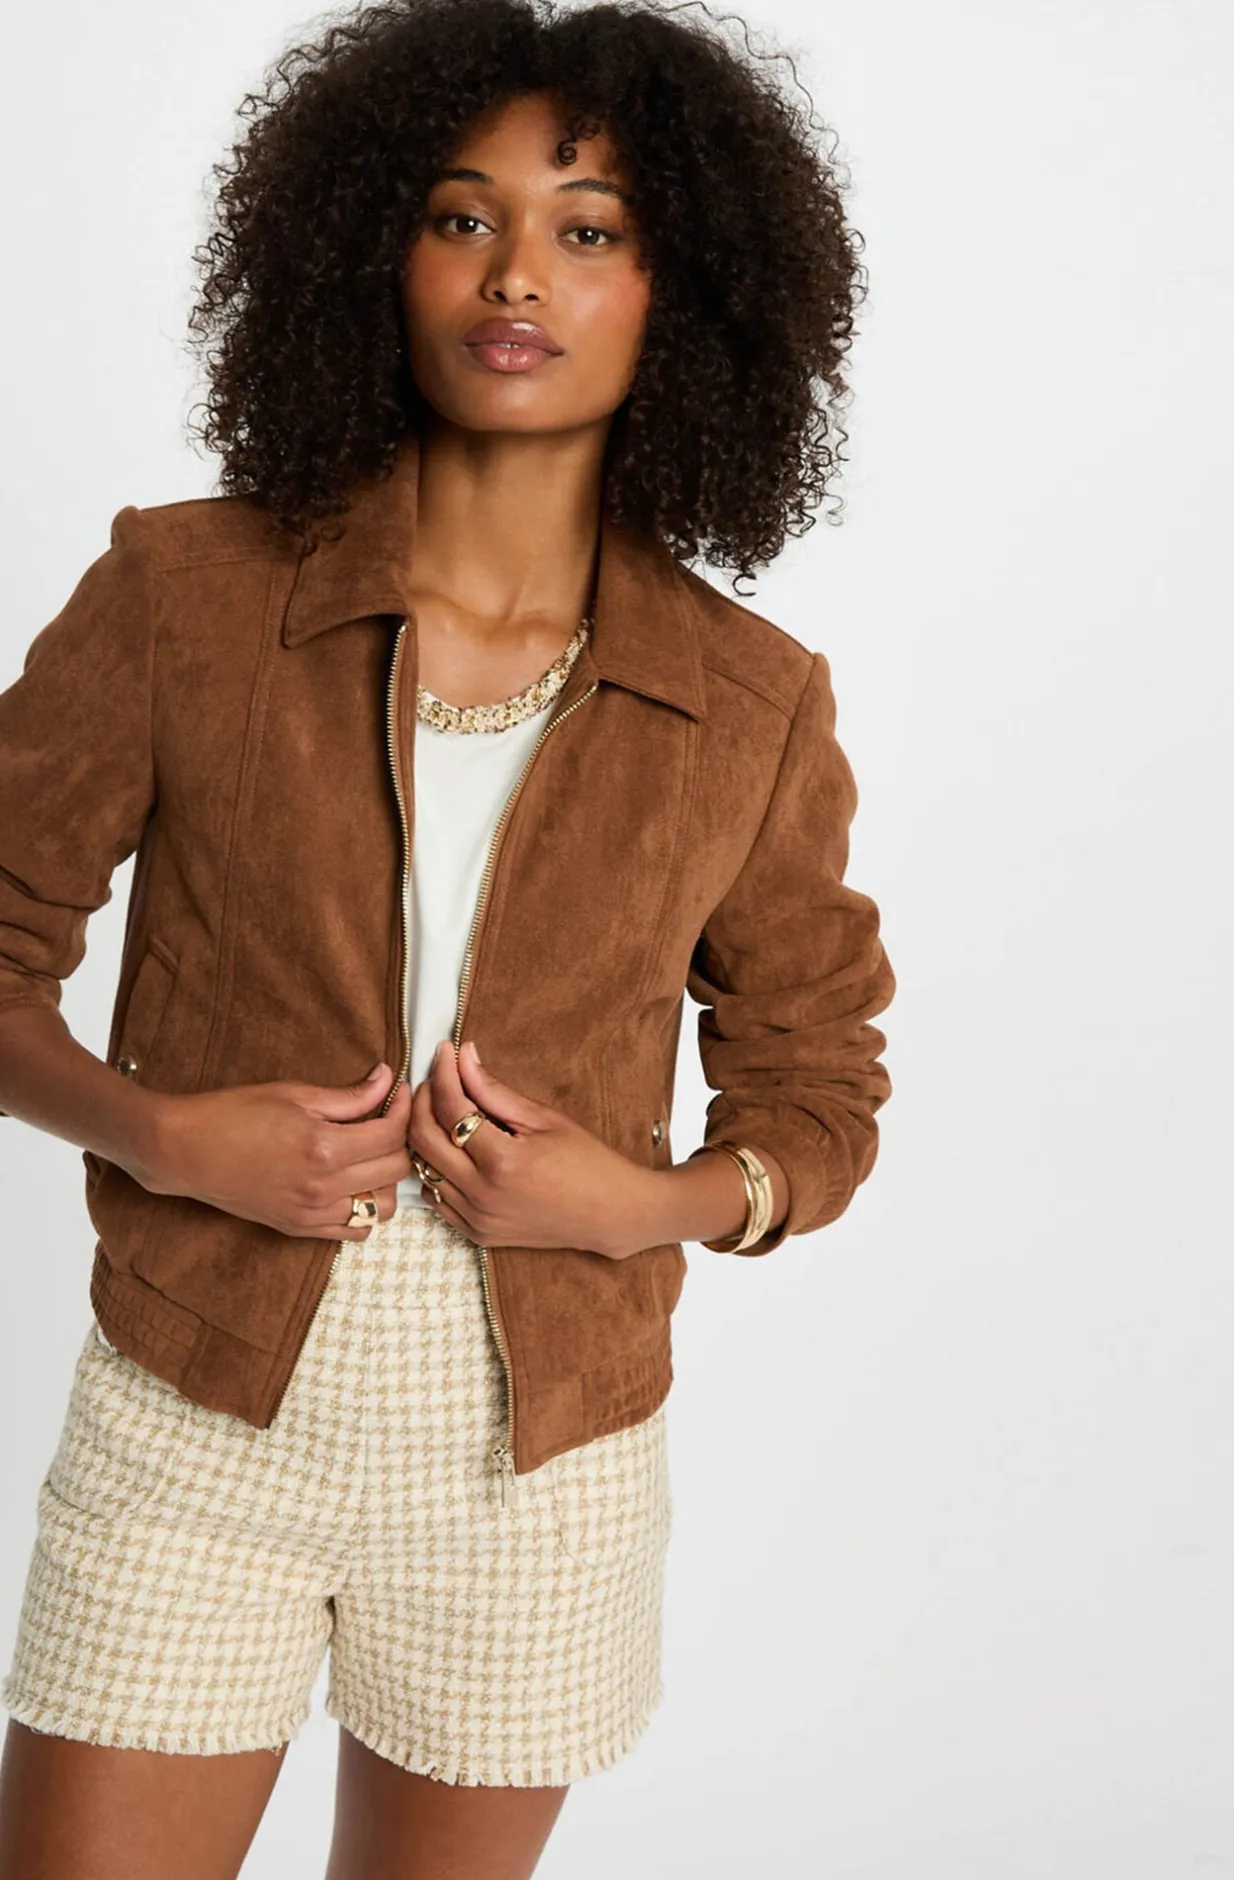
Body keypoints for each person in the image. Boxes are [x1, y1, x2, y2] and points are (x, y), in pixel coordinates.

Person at [0, 0, 896, 1873]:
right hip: (194, 1402)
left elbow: (816, 1091)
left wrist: (640, 1202)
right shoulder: (183, 594)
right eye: (460, 215)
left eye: (590, 229)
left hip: (539, 1464)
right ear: (368, 255)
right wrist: (164, 1133)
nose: (516, 276)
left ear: (683, 294)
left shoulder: (752, 702)